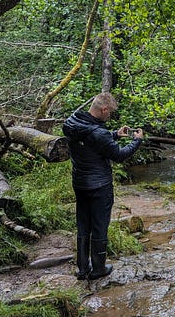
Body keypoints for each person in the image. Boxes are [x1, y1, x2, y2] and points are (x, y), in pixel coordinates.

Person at [62, 92, 144, 280]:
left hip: (80, 182)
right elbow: (119, 155)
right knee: (99, 226)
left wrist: (115, 134)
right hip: (100, 185)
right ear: (104, 109)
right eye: (110, 113)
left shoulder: (72, 123)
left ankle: (82, 269)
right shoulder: (98, 133)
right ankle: (98, 268)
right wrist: (136, 141)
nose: (109, 117)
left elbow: (93, 139)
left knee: (83, 224)